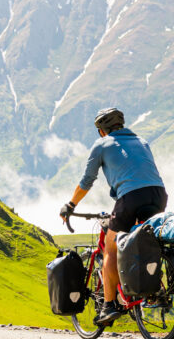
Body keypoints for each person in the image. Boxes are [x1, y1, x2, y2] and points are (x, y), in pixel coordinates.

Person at [60, 108, 167, 323]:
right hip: (158, 194)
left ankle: (108, 307)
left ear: (102, 130)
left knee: (111, 248)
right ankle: (158, 290)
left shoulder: (102, 144)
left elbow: (87, 181)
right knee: (145, 242)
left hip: (130, 198)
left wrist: (70, 205)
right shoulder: (142, 141)